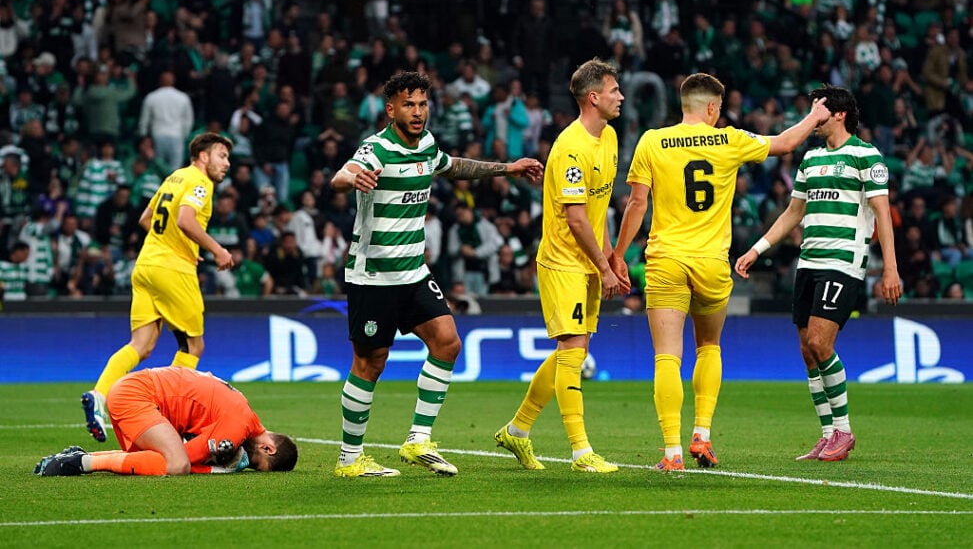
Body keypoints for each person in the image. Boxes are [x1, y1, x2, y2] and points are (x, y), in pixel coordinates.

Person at [613, 73, 831, 471]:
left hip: (667, 261)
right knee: (708, 347)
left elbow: (636, 205)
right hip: (713, 263)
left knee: (666, 357)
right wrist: (815, 115)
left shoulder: (651, 141)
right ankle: (702, 435)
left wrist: (617, 255)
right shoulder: (730, 139)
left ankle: (671, 453)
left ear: (684, 104)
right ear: (713, 107)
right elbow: (785, 143)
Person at [330, 71, 543, 478]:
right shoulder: (376, 149)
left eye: (423, 104)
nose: (417, 112)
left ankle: (418, 440)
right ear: (390, 109)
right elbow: (342, 176)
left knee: (447, 343)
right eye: (408, 105)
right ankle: (349, 459)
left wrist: (508, 169)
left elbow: (454, 166)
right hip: (373, 276)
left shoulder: (426, 145)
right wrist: (351, 178)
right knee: (370, 363)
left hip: (413, 272)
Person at [735, 85, 901, 462]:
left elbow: (882, 215)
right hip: (808, 261)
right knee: (808, 351)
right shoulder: (810, 159)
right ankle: (827, 435)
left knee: (822, 344)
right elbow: (793, 213)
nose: (812, 116)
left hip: (842, 262)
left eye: (817, 110)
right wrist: (756, 250)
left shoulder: (866, 156)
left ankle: (844, 430)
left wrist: (889, 268)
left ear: (838, 114)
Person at [494, 59, 629, 473]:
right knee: (573, 349)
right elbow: (574, 218)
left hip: (588, 260)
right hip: (562, 263)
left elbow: (598, 208)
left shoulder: (608, 137)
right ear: (593, 97)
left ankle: (516, 432)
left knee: (574, 349)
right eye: (613, 90)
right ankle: (581, 451)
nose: (620, 96)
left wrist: (610, 258)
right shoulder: (571, 147)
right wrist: (602, 268)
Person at [81, 133, 235, 443]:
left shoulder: (174, 178)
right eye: (221, 156)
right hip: (172, 270)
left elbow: (145, 218)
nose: (227, 164)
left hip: (146, 266)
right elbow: (185, 219)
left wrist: (181, 243)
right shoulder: (201, 183)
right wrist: (217, 249)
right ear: (202, 157)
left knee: (142, 344)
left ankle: (99, 395)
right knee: (193, 347)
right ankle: (168, 420)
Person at [37, 367, 297, 476]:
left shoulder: (244, 410)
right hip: (137, 396)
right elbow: (184, 458)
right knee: (176, 464)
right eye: (256, 463)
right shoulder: (236, 428)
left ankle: (77, 455)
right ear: (268, 448)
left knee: (153, 458)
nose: (247, 463)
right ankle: (80, 463)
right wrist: (217, 469)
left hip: (139, 391)